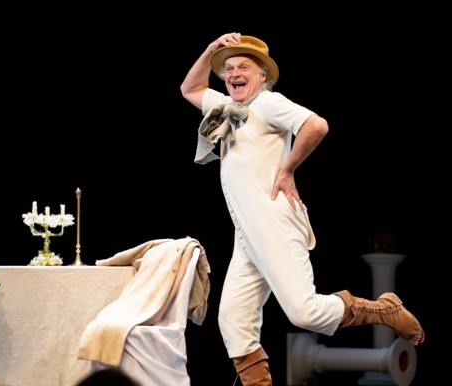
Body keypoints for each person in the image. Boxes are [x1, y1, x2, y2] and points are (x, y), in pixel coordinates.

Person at [180, 32, 424, 385]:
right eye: (229, 68)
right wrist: (209, 49)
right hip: (248, 232)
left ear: (262, 74)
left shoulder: (267, 103)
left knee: (304, 313)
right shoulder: (226, 108)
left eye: (243, 67)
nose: (234, 73)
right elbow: (190, 88)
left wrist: (288, 169)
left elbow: (316, 125)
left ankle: (384, 310)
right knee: (233, 320)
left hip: (274, 222)